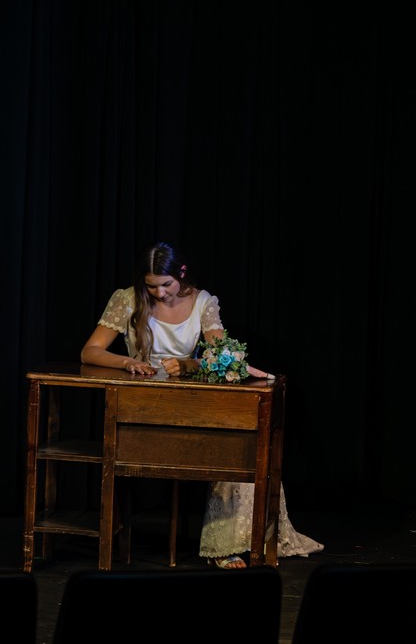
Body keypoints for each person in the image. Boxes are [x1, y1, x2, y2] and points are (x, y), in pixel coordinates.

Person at [80, 241, 323, 569]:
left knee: (242, 444)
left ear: (181, 274)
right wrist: (127, 362)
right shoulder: (128, 299)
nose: (159, 293)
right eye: (151, 286)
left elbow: (222, 355)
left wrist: (190, 365)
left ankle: (234, 541)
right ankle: (226, 544)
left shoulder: (202, 302)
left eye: (166, 285)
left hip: (188, 399)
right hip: (143, 403)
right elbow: (90, 351)